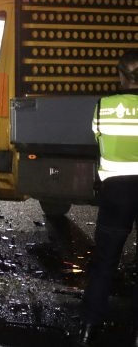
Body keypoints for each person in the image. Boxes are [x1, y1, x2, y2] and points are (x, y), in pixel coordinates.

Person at [79, 49, 138, 345]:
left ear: (120, 74)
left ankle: (89, 327)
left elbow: (98, 140)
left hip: (116, 191)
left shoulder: (103, 107)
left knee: (104, 262)